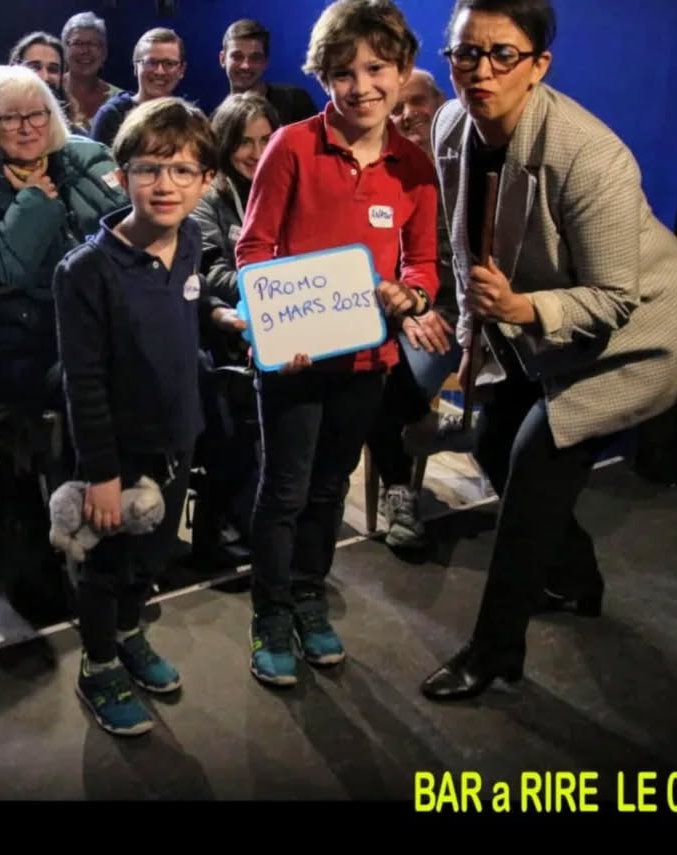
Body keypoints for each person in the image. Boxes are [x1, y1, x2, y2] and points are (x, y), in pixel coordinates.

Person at [419, 0, 677, 701]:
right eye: (466, 52)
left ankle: (495, 650)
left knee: (536, 460)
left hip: (644, 328)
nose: (481, 70)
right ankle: (575, 577)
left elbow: (616, 296)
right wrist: (471, 338)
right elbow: (466, 251)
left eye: (503, 54)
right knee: (493, 442)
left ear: (539, 66)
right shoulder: (449, 125)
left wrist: (521, 310)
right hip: (545, 318)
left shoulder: (590, 155)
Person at [234, 0, 444, 687]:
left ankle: (308, 596)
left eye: (376, 69)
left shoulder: (415, 166)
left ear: (403, 70)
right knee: (285, 490)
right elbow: (253, 248)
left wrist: (411, 295)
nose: (361, 87)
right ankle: (270, 613)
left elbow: (424, 263)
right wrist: (275, 324)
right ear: (323, 77)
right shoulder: (291, 146)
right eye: (343, 73)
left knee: (329, 487)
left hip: (367, 359)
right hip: (294, 359)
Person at [52, 97, 243, 736]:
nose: (165, 185)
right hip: (118, 453)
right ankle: (99, 663)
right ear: (121, 175)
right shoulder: (85, 271)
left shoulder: (189, 240)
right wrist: (101, 474)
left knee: (152, 557)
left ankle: (131, 632)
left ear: (206, 181)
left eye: (183, 170)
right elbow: (83, 383)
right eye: (149, 169)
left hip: (178, 437)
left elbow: (186, 304)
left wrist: (218, 315)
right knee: (108, 567)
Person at [0, 64, 127, 421]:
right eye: (10, 118)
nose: (26, 128)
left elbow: (130, 227)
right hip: (19, 343)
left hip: (99, 323)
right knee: (102, 380)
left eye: (37, 114)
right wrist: (35, 202)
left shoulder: (86, 157)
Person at [368, 67, 462, 552]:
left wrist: (434, 310)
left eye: (416, 102)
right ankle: (402, 481)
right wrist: (409, 311)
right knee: (370, 373)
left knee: (389, 383)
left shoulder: (467, 170)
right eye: (396, 108)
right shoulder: (381, 173)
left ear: (440, 103)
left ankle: (429, 448)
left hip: (458, 314)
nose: (406, 115)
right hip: (395, 310)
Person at [187, 92, 282, 567]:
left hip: (278, 321)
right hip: (219, 328)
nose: (257, 152)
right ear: (224, 143)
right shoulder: (208, 197)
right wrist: (273, 283)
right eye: (245, 141)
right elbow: (210, 273)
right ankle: (219, 520)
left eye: (266, 140)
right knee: (234, 419)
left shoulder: (285, 187)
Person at [88, 28, 185, 146]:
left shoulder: (188, 119)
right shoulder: (112, 116)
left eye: (169, 63)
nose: (159, 71)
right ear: (135, 66)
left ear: (181, 70)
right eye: (151, 62)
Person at [60, 12, 123, 135]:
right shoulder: (48, 92)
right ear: (63, 49)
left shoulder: (121, 101)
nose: (85, 51)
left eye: (93, 44)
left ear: (104, 52)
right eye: (77, 43)